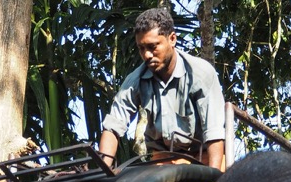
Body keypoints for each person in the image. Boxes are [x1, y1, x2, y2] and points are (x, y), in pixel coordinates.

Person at [97, 7, 226, 170]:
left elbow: (214, 133)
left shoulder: (200, 74)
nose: (147, 55)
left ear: (172, 39)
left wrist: (213, 179)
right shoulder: (135, 80)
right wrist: (102, 172)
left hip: (204, 156)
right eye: (141, 48)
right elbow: (113, 127)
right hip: (163, 161)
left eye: (152, 47)